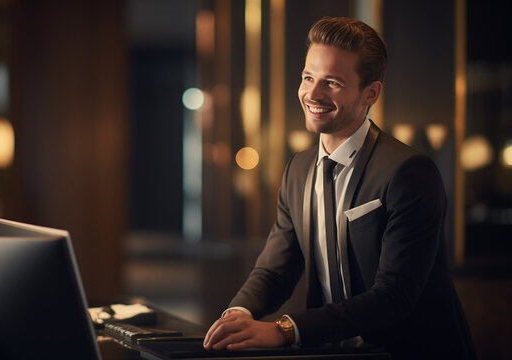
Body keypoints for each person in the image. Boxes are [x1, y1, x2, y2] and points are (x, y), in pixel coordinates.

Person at [202, 16, 476, 359]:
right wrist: (238, 315)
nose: (312, 93)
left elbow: (394, 296)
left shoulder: (409, 172)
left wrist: (284, 330)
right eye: (307, 77)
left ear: (370, 93)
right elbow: (276, 268)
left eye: (331, 82)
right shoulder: (298, 169)